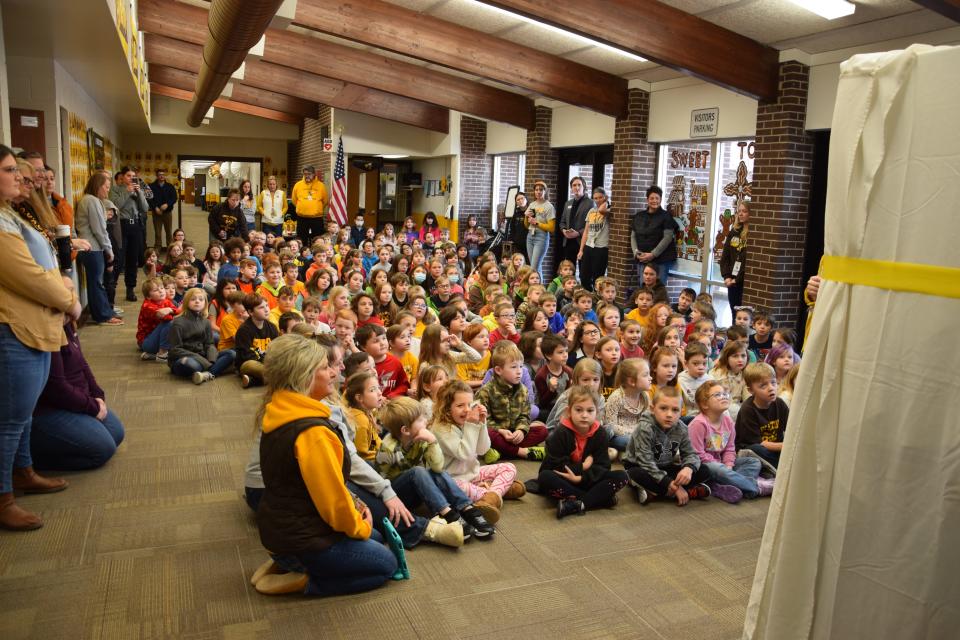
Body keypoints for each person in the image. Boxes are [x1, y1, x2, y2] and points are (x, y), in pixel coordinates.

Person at [251, 334, 398, 596]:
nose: (334, 372)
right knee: (386, 564)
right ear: (303, 375)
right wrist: (358, 525)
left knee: (375, 537)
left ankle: (284, 560)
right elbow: (333, 504)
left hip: (281, 529)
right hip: (303, 539)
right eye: (325, 367)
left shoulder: (280, 408)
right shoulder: (313, 432)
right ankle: (304, 580)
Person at [0, 144, 81, 530]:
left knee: (24, 414)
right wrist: (67, 297)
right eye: (10, 170)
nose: (20, 178)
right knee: (10, 419)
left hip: (35, 325)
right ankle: (3, 497)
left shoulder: (11, 215)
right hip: (14, 328)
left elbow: (44, 262)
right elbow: (30, 276)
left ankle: (24, 471)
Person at [375, 396, 495, 544]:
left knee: (435, 472)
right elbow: (380, 481)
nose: (425, 421)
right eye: (419, 420)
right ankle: (448, 515)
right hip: (394, 497)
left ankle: (468, 509)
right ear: (405, 430)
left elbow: (438, 467)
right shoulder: (388, 448)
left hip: (414, 490)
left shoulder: (422, 438)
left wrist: (432, 441)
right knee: (417, 471)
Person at [31, 317, 125, 470]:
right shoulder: (46, 330)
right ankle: (28, 460)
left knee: (116, 433)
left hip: (77, 398)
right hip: (50, 408)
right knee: (102, 450)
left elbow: (82, 362)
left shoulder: (66, 325)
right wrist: (92, 407)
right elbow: (56, 388)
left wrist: (97, 395)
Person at [536, 385, 629, 518]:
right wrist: (583, 466)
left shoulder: (600, 434)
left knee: (622, 476)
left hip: (588, 480)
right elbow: (556, 465)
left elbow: (602, 466)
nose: (584, 415)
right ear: (569, 411)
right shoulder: (560, 433)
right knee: (545, 477)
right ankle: (598, 498)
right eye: (579, 410)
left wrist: (580, 478)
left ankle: (578, 503)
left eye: (590, 411)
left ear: (597, 413)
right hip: (564, 478)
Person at [431, 380, 523, 512]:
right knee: (457, 488)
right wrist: (471, 425)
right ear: (446, 407)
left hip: (472, 474)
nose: (467, 410)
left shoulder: (466, 422)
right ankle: (494, 493)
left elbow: (483, 449)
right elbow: (464, 454)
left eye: (470, 404)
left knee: (509, 467)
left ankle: (489, 494)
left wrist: (482, 423)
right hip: (452, 479)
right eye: (460, 405)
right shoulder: (440, 429)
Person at [622, 386, 712, 506]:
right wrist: (675, 487)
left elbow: (691, 454)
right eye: (663, 408)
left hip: (664, 466)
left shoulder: (682, 428)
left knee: (704, 470)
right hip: (641, 466)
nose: (669, 414)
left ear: (681, 411)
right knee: (635, 473)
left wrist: (688, 468)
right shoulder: (645, 428)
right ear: (653, 409)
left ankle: (655, 493)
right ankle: (684, 493)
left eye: (675, 410)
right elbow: (645, 462)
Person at [688, 380, 772, 502]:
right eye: (717, 395)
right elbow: (697, 455)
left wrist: (729, 465)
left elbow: (730, 449)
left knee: (753, 462)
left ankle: (724, 486)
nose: (723, 397)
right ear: (705, 404)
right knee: (718, 469)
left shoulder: (728, 422)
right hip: (704, 467)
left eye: (724, 394)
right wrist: (723, 467)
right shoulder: (698, 424)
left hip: (723, 466)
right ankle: (756, 487)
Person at [475, 342, 547, 461]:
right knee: (487, 433)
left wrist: (521, 430)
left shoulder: (522, 390)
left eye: (521, 366)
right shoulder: (486, 391)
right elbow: (483, 420)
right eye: (514, 367)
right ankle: (522, 452)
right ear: (498, 370)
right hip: (498, 432)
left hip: (513, 432)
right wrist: (501, 430)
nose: (519, 371)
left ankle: (501, 451)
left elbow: (525, 415)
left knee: (542, 431)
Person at [75, 172, 122, 325]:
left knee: (95, 283)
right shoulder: (91, 201)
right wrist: (109, 249)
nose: (107, 191)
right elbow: (99, 229)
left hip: (91, 247)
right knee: (97, 283)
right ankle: (103, 315)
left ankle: (104, 312)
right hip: (92, 248)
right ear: (98, 186)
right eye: (106, 187)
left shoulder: (92, 200)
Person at [167, 289, 237, 385]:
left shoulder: (206, 322)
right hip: (184, 358)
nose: (197, 301)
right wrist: (202, 360)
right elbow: (175, 350)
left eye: (201, 299)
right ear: (187, 302)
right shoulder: (177, 322)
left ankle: (207, 374)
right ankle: (217, 369)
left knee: (231, 354)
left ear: (205, 303)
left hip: (202, 355)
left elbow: (210, 344)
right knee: (193, 366)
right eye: (193, 299)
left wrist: (211, 359)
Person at [735, 362, 788, 474]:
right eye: (763, 386)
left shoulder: (780, 403)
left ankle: (777, 467)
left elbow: (790, 429)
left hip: (776, 446)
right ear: (750, 390)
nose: (771, 388)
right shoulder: (748, 409)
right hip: (753, 448)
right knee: (757, 449)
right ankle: (782, 470)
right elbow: (760, 443)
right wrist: (788, 446)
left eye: (773, 383)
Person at [110, 166, 149, 302]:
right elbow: (115, 205)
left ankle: (130, 289)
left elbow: (145, 208)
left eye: (133, 176)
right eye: (128, 175)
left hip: (136, 225)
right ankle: (112, 288)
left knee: (133, 259)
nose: (131, 178)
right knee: (119, 258)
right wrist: (127, 192)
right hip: (121, 225)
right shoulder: (115, 189)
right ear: (122, 177)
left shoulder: (137, 189)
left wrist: (140, 194)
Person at [631, 185, 677, 289]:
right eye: (652, 198)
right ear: (647, 200)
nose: (654, 201)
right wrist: (636, 252)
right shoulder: (639, 216)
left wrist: (653, 254)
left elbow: (668, 238)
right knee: (644, 289)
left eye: (657, 198)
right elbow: (633, 236)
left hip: (661, 260)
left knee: (657, 289)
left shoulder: (666, 216)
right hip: (642, 259)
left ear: (660, 199)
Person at [576, 186, 609, 292]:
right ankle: (589, 296)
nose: (598, 200)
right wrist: (581, 249)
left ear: (605, 197)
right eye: (595, 198)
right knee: (584, 277)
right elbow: (586, 231)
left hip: (601, 247)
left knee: (597, 278)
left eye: (600, 197)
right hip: (589, 246)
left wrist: (607, 202)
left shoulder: (608, 209)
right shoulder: (591, 211)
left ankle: (596, 299)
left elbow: (602, 210)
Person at [720, 201, 750, 308]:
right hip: (731, 281)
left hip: (743, 282)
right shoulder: (734, 232)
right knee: (734, 312)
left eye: (744, 211)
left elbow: (748, 261)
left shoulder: (753, 234)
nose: (740, 214)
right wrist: (727, 276)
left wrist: (737, 280)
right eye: (739, 211)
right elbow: (725, 256)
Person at [558, 176, 593, 268]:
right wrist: (564, 231)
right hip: (568, 242)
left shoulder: (590, 203)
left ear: (584, 187)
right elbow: (562, 222)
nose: (576, 187)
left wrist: (578, 233)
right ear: (571, 188)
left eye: (579, 185)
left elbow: (592, 225)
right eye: (574, 185)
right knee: (569, 270)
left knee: (584, 272)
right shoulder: (568, 203)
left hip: (583, 242)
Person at [524, 181, 555, 279]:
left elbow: (551, 228)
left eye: (541, 190)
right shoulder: (532, 204)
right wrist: (526, 217)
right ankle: (541, 291)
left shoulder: (549, 206)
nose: (538, 192)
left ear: (545, 191)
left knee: (533, 268)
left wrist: (537, 223)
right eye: (536, 190)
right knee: (536, 268)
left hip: (541, 237)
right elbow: (526, 225)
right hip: (530, 236)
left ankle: (535, 290)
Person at [290, 165, 327, 246]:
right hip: (302, 218)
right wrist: (303, 208)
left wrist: (316, 209)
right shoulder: (298, 185)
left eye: (309, 174)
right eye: (305, 174)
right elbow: (294, 200)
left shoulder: (321, 186)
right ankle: (303, 254)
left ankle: (317, 254)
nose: (307, 176)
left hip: (316, 218)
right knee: (301, 238)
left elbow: (325, 201)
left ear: (314, 174)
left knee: (317, 239)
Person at [148, 169, 177, 250]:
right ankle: (157, 251)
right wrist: (155, 207)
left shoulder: (170, 186)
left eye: (163, 174)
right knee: (157, 233)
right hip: (156, 213)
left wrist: (167, 204)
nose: (162, 176)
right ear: (157, 176)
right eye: (160, 174)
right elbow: (149, 199)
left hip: (167, 213)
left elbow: (174, 198)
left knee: (168, 232)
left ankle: (170, 249)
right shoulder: (151, 186)